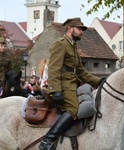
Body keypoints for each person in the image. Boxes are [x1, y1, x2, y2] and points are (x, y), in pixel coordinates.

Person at [39, 17, 104, 150]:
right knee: (73, 109)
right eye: (79, 29)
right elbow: (54, 68)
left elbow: (81, 72)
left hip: (73, 85)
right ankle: (48, 140)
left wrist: (99, 81)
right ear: (70, 29)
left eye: (82, 29)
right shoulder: (61, 44)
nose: (82, 32)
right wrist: (55, 90)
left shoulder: (73, 47)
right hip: (64, 86)